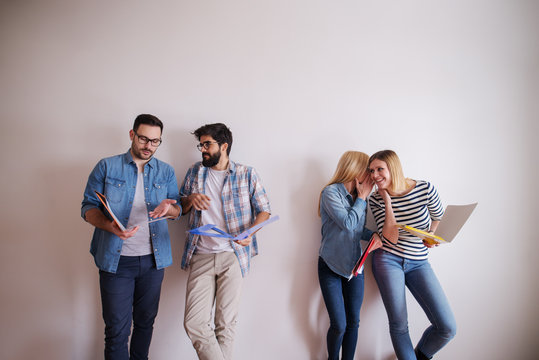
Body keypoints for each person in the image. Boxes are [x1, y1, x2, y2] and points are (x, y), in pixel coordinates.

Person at [81, 114, 181, 360]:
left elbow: (178, 210)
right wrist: (109, 226)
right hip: (116, 261)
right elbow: (88, 208)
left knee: (145, 324)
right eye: (144, 139)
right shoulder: (107, 166)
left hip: (153, 262)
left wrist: (170, 209)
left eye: (155, 141)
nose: (149, 146)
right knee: (116, 330)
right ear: (132, 135)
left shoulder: (166, 171)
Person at [179, 123, 272, 360]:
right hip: (201, 254)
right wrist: (190, 199)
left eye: (207, 144)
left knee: (225, 326)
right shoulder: (194, 172)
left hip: (233, 256)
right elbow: (180, 207)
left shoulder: (246, 173)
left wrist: (250, 233)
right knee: (194, 323)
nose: (203, 150)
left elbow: (264, 211)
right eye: (201, 145)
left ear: (224, 145)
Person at [368, 150, 456, 360]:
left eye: (380, 169)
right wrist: (387, 200)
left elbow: (438, 218)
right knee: (399, 324)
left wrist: (431, 235)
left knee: (447, 327)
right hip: (388, 259)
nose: (374, 175)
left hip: (419, 261)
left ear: (394, 168)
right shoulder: (375, 199)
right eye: (371, 171)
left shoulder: (425, 188)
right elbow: (390, 237)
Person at [318, 151, 383, 360]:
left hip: (355, 268)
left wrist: (373, 234)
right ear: (356, 172)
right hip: (330, 265)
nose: (371, 177)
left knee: (354, 322)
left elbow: (356, 229)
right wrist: (363, 198)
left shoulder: (358, 198)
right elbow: (347, 224)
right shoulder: (330, 193)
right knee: (339, 324)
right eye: (368, 171)